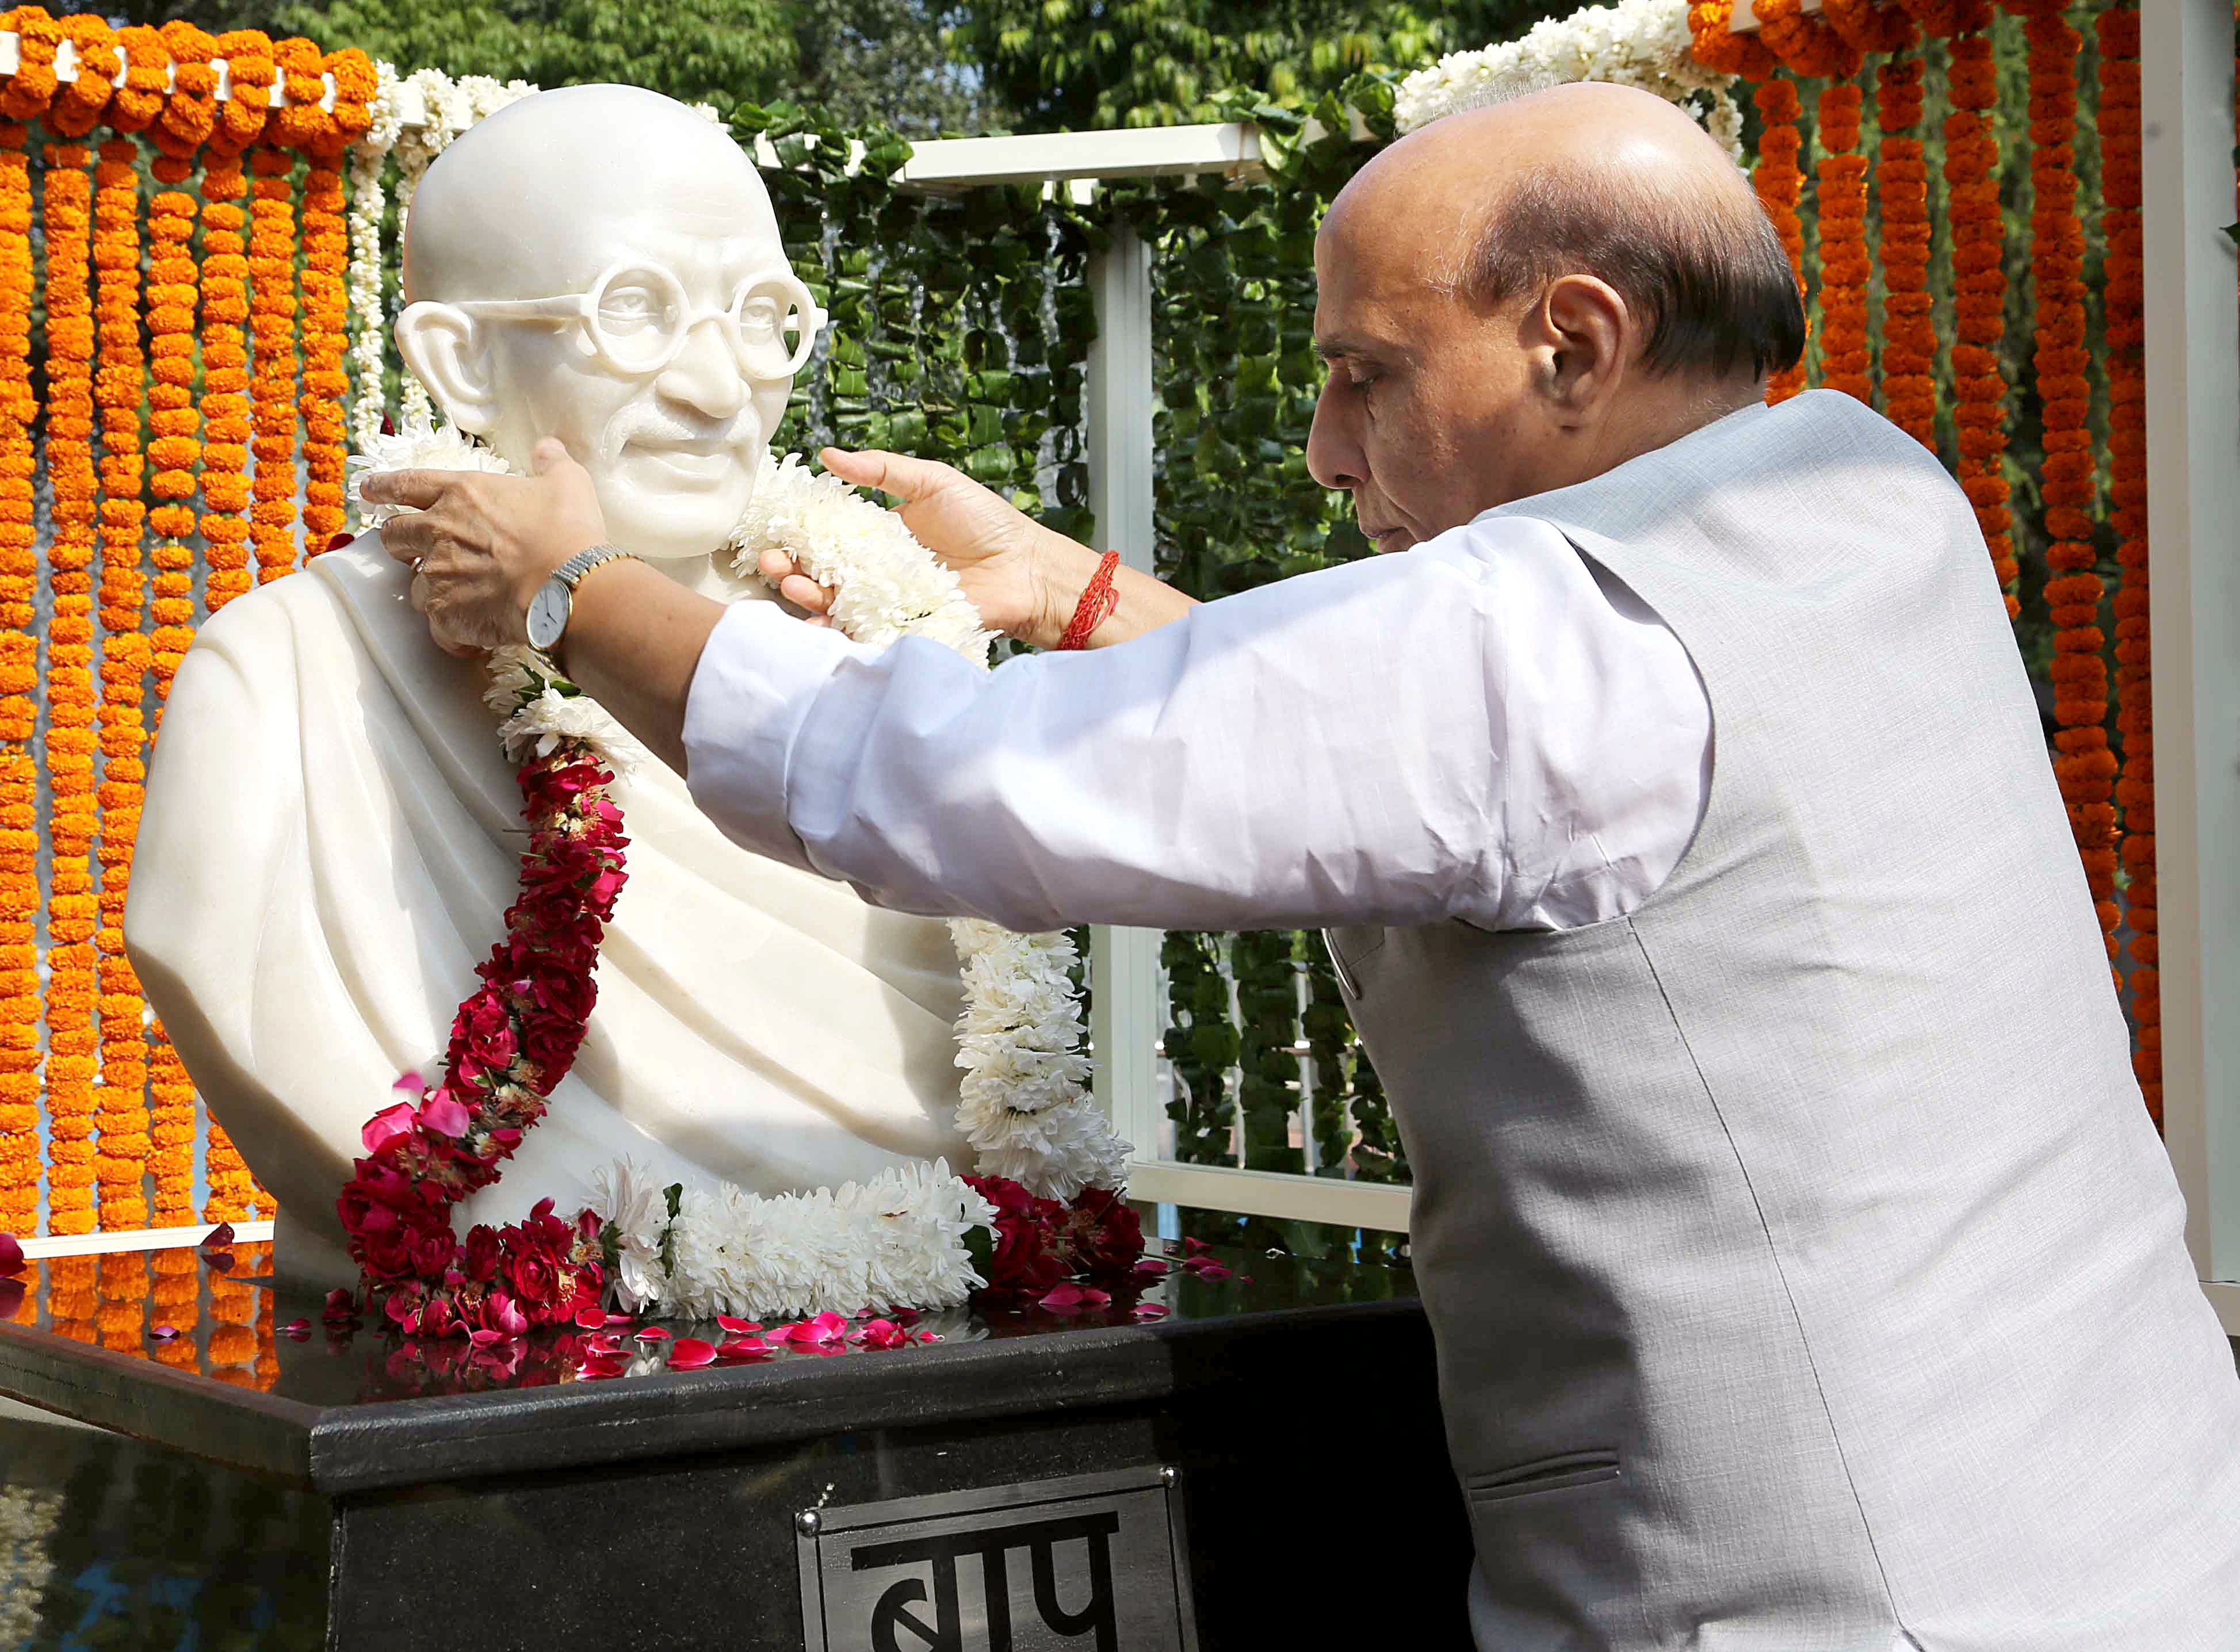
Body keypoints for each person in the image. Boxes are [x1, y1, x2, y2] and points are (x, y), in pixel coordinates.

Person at [361, 82, 2240, 1651]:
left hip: (1832, 1599)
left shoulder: (1539, 639)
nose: (1330, 448)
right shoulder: (1856, 497)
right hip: (2127, 1537)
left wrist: (559, 585)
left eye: (1365, 373)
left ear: (1574, 342)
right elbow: (1483, 769)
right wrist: (1087, 598)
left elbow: (954, 789)